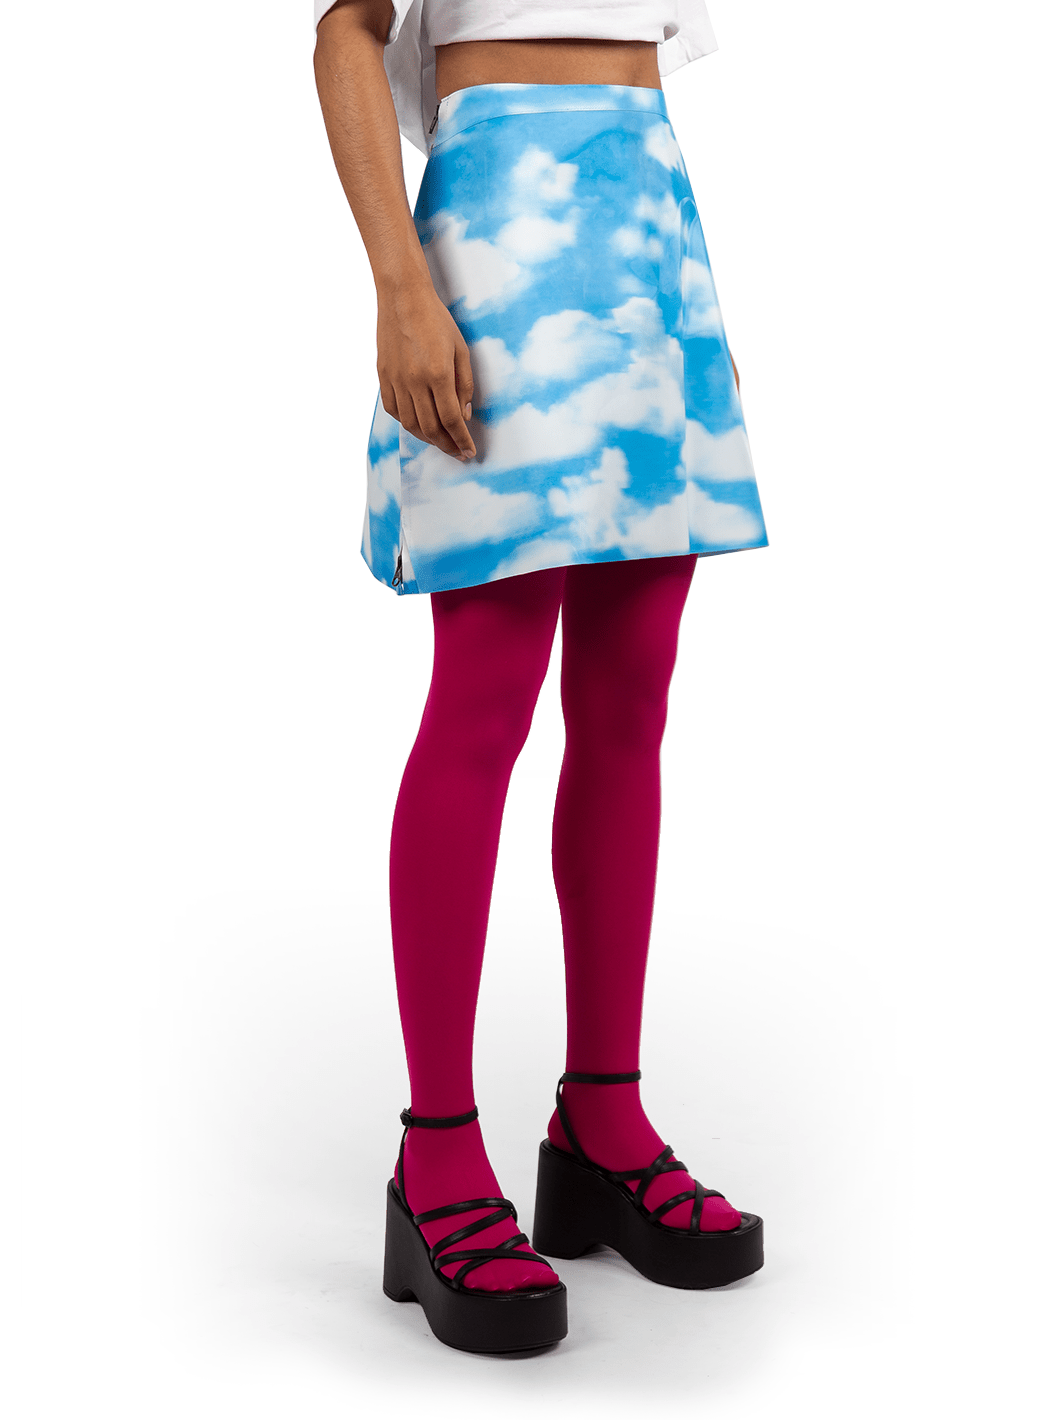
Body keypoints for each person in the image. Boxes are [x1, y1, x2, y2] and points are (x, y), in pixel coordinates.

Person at [313, 0, 767, 1352]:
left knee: (631, 699)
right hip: (497, 228)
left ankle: (601, 1123)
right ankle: (437, 1157)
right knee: (485, 695)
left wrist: (674, 275)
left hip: (650, 213)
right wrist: (402, 287)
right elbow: (345, 32)